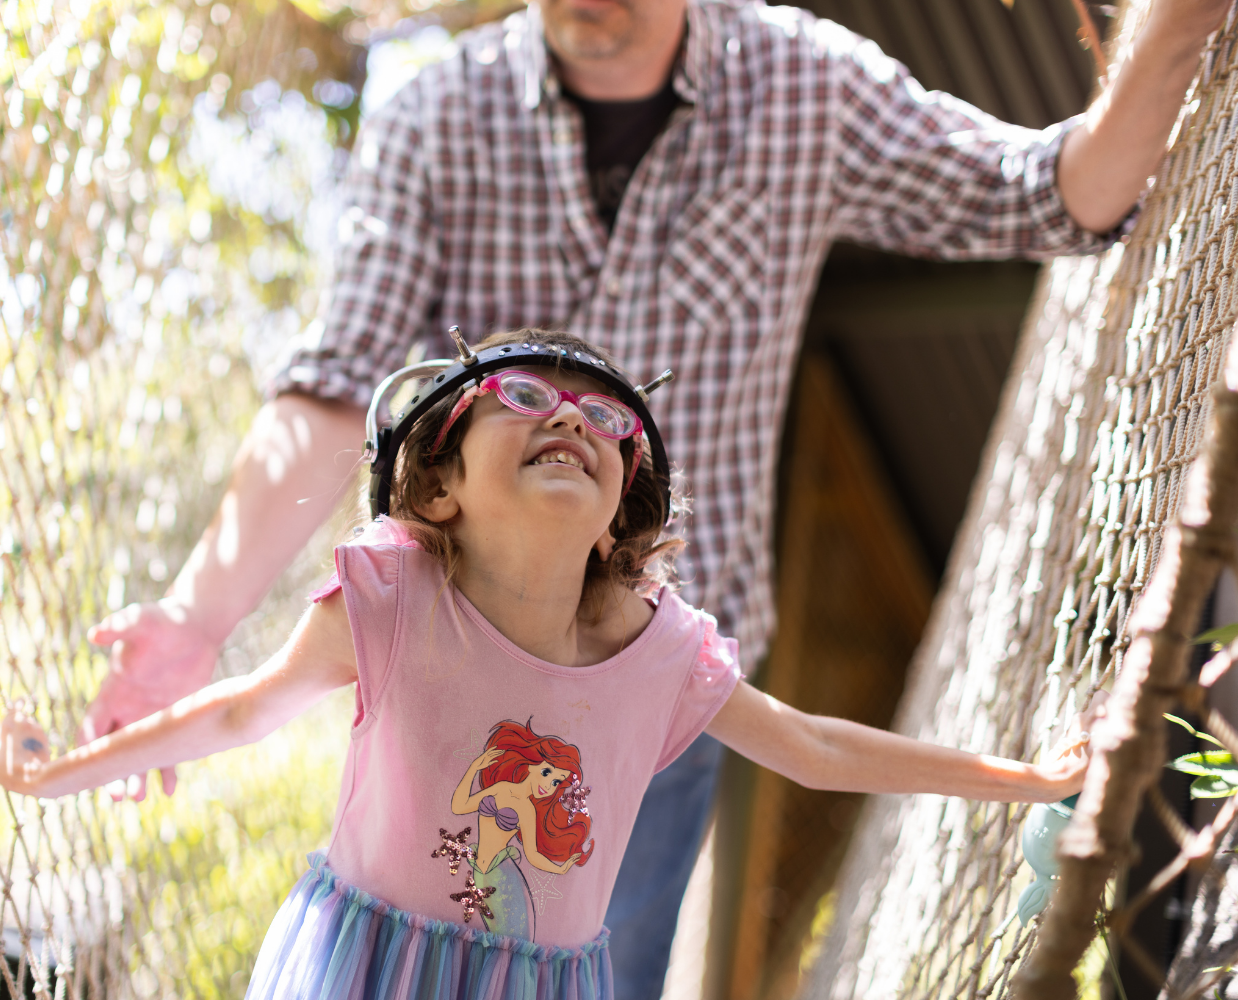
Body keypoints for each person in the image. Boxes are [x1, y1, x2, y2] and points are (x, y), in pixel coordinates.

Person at [78, 0, 1229, 992]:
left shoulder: (799, 86)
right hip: (454, 684)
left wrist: (1176, 28)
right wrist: (195, 617)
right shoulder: (438, 118)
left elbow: (1056, 192)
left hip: (656, 702)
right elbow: (334, 388)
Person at [0, 330, 1098, 1000]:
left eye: (603, 417)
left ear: (621, 514)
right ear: (438, 485)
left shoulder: (660, 652)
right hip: (361, 964)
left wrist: (1029, 779)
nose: (569, 415)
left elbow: (811, 747)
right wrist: (60, 771)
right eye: (521, 399)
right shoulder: (391, 600)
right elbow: (236, 715)